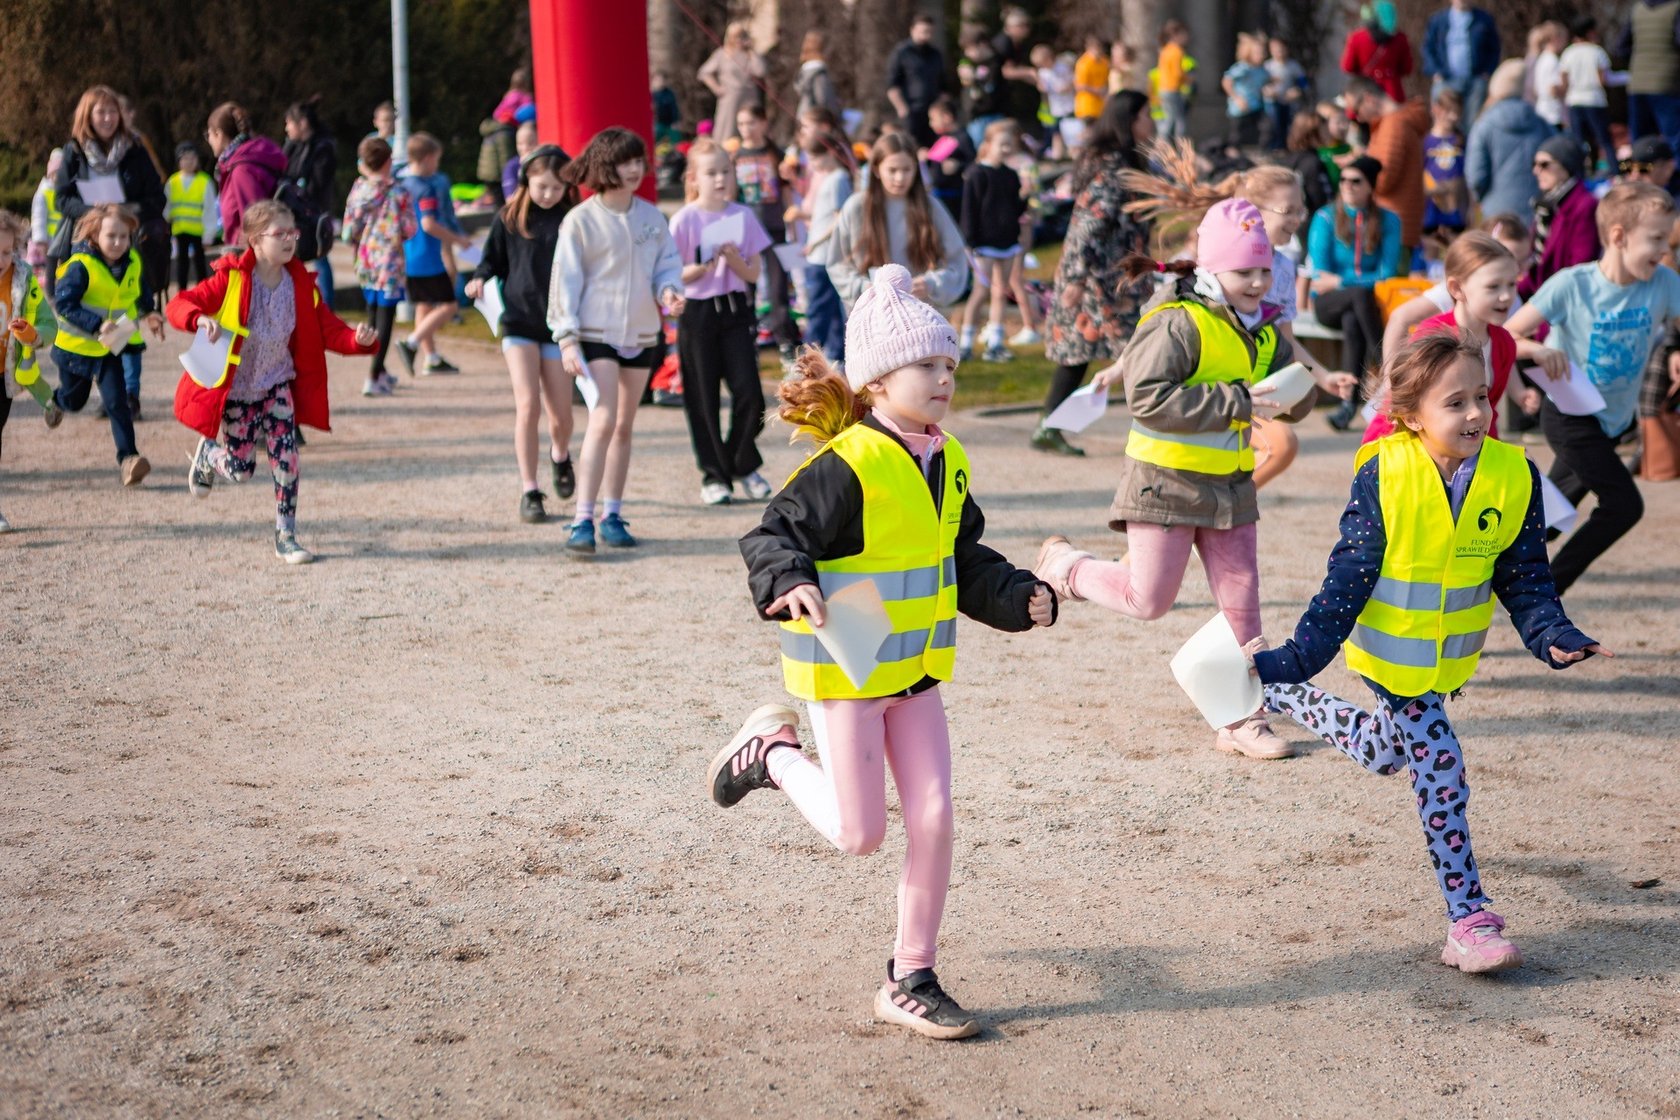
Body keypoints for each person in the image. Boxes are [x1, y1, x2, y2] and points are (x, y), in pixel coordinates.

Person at [717, 264, 1056, 1040]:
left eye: (949, 365)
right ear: (876, 382)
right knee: (858, 834)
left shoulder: (949, 459)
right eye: (926, 365)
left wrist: (1017, 596)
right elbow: (772, 535)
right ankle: (771, 754)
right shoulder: (849, 464)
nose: (944, 379)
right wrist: (789, 580)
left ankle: (911, 976)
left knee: (934, 819)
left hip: (915, 674)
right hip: (846, 672)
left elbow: (961, 558)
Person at [1250, 330, 1609, 975]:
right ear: (1411, 415)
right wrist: (1298, 655)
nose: (1476, 413)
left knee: (1387, 753)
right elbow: (1347, 578)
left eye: (1482, 397)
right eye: (1455, 403)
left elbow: (1525, 575)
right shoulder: (1383, 473)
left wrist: (1551, 633)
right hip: (1392, 660)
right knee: (1441, 769)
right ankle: (1468, 919)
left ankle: (1287, 699)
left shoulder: (1513, 475)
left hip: (1445, 664)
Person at [1033, 199, 1316, 760]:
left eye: (1264, 269)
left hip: (1230, 485)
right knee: (1148, 600)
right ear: (1211, 269)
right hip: (1163, 482)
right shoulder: (1175, 321)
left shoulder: (1265, 328)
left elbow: (1288, 393)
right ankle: (1067, 567)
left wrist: (1298, 394)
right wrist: (1236, 401)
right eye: (1245, 271)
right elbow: (1145, 397)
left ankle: (1242, 718)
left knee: (1242, 602)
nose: (1258, 282)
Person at [172, 200, 376, 564]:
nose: (288, 240)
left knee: (288, 459)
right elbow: (181, 303)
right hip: (238, 391)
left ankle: (286, 535)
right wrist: (199, 318)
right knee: (240, 471)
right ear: (254, 240)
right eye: (278, 233)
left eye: (292, 233)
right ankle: (209, 454)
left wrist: (357, 340)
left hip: (277, 384)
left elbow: (329, 330)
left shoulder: (301, 286)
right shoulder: (231, 278)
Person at [1507, 182, 1680, 592]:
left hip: (1612, 422)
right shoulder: (1573, 284)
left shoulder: (1663, 282)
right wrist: (1538, 349)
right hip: (1567, 414)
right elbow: (1506, 336)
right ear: (1619, 236)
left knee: (1550, 517)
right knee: (1624, 506)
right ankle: (1548, 589)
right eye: (1656, 239)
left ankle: (1490, 569)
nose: (1664, 250)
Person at [548, 127, 684, 556]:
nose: (634, 169)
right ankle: (581, 520)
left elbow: (666, 266)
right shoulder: (580, 220)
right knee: (603, 418)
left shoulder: (652, 218)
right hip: (594, 333)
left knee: (624, 425)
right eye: (625, 161)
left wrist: (669, 292)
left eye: (638, 160)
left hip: (642, 333)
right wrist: (567, 338)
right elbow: (565, 283)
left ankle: (613, 514)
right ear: (605, 165)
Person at [465, 146, 578, 524]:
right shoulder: (509, 218)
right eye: (542, 186)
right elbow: (489, 262)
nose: (548, 194)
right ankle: (530, 490)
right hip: (516, 323)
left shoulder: (572, 220)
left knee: (562, 415)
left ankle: (560, 455)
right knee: (528, 405)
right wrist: (478, 280)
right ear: (527, 180)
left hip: (558, 327)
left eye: (557, 187)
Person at [1037, 91, 1153, 456]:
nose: (1152, 122)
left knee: (1096, 352)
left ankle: (1050, 426)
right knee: (1128, 351)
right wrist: (1075, 278)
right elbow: (1087, 227)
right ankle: (1051, 426)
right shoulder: (1112, 169)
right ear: (1130, 120)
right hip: (1099, 281)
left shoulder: (1127, 162)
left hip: (1121, 278)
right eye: (1146, 115)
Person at [668, 139, 773, 508]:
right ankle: (714, 475)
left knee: (750, 394)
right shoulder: (684, 219)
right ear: (694, 178)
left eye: (725, 171)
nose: (720, 179)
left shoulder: (743, 215)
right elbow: (672, 274)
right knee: (703, 396)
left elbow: (754, 273)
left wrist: (732, 258)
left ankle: (740, 462)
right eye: (711, 173)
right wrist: (703, 267)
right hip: (697, 313)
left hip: (735, 310)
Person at [54, 86, 169, 420]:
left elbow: (157, 197)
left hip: (127, 241)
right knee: (89, 312)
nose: (107, 118)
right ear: (87, 116)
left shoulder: (135, 149)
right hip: (85, 243)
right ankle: (79, 388)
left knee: (127, 316)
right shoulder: (74, 151)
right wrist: (93, 213)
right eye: (100, 112)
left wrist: (125, 212)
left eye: (112, 111)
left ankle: (127, 395)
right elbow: (61, 199)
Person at [1364, 232, 1535, 445]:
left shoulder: (1504, 343)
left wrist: (1520, 394)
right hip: (1408, 447)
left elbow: (1485, 415)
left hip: (1465, 448)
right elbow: (1408, 411)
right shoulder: (1433, 338)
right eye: (1493, 286)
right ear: (1456, 288)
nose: (1507, 296)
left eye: (1511, 284)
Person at [49, 204, 162, 486]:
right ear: (94, 235)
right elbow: (64, 304)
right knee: (75, 400)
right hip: (77, 350)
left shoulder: (132, 261)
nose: (118, 242)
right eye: (111, 236)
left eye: (124, 236)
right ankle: (57, 401)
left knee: (117, 402)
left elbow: (140, 292)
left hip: (111, 346)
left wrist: (150, 313)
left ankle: (129, 459)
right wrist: (96, 324)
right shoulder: (80, 266)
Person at [1308, 154, 1404, 429]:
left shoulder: (1389, 220)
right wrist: (1349, 283)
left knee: (1353, 320)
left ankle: (1348, 405)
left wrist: (1341, 281)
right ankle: (1386, 366)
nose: (1347, 185)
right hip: (1328, 303)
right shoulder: (1325, 217)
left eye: (1356, 181)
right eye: (1343, 180)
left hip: (1363, 308)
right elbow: (1320, 275)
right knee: (1358, 297)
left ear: (1370, 186)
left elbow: (1387, 274)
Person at [826, 134, 968, 313]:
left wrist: (931, 283)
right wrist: (863, 288)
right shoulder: (856, 207)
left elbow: (956, 261)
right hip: (872, 312)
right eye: (892, 170)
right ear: (876, 169)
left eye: (907, 169)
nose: (900, 178)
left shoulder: (930, 207)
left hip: (918, 311)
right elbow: (838, 263)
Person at [0, 211, 60, 533]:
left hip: (4, 377)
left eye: (6, 252)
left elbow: (49, 324)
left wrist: (33, 335)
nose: (1, 260)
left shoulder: (24, 281)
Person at [341, 138, 416, 398]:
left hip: (366, 261)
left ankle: (380, 369)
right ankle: (373, 376)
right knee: (385, 318)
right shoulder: (399, 192)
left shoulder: (358, 189)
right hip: (389, 263)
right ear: (388, 161)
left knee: (372, 315)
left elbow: (348, 231)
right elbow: (410, 228)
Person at [959, 121, 1035, 364]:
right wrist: (970, 242)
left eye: (1009, 145)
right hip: (983, 244)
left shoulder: (1010, 175)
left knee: (1000, 292)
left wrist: (1025, 195)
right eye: (1002, 144)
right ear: (988, 144)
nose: (1006, 149)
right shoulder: (976, 174)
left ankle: (995, 342)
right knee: (980, 292)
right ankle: (966, 343)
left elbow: (1014, 209)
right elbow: (969, 210)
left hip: (1007, 241)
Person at [397, 132, 473, 376]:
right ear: (428, 158)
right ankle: (410, 342)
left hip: (410, 255)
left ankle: (431, 357)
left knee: (424, 305)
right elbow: (429, 224)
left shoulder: (403, 184)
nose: (437, 165)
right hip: (427, 258)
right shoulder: (426, 188)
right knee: (449, 305)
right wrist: (458, 240)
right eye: (437, 160)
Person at [734, 105, 801, 364]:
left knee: (778, 286)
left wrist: (791, 225)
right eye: (741, 124)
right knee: (746, 286)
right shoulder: (735, 156)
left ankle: (784, 337)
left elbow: (786, 191)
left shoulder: (775, 154)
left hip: (774, 227)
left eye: (751, 122)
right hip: (745, 230)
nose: (746, 129)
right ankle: (748, 335)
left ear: (763, 123)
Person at [1345, 76, 1431, 255]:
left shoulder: (1393, 125)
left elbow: (1383, 179)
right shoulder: (1394, 122)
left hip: (1393, 226)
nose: (1358, 118)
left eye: (1356, 110)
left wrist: (1356, 170)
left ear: (1369, 98)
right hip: (1398, 222)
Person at [1467, 59, 1555, 224]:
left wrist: (1482, 198)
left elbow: (1476, 176)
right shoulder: (1540, 123)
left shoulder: (1484, 125)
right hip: (1535, 209)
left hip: (1496, 211)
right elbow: (1557, 160)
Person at [1520, 134, 1601, 299]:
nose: (1536, 171)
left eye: (1544, 164)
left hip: (1565, 298)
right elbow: (1537, 264)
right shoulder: (1547, 205)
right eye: (1535, 164)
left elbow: (1580, 266)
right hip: (1543, 295)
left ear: (1566, 166)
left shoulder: (1584, 206)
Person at [798, 128, 855, 363]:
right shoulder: (832, 178)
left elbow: (840, 219)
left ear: (829, 153)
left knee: (818, 311)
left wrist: (816, 242)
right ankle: (835, 358)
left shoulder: (838, 179)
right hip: (821, 254)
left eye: (814, 158)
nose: (812, 164)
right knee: (831, 311)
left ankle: (808, 361)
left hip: (823, 255)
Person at [206, 102, 286, 253]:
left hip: (251, 256)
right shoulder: (245, 160)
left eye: (208, 134)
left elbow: (256, 220)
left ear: (218, 134)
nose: (209, 140)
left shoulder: (241, 169)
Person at [282, 98, 339, 306]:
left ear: (303, 123)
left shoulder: (323, 147)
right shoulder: (292, 146)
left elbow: (318, 183)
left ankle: (326, 307)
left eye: (289, 123)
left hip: (314, 214)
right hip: (292, 212)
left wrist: (300, 193)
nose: (286, 128)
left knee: (319, 257)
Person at [1422, 1, 1501, 126]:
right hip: (1446, 79)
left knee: (1473, 122)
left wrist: (1487, 71)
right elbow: (1428, 48)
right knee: (1443, 120)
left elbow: (1494, 49)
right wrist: (1435, 71)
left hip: (1475, 80)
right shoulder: (1438, 20)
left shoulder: (1484, 19)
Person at [1617, 0, 1680, 154]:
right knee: (1674, 137)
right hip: (1666, 82)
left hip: (1637, 83)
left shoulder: (1638, 8)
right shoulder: (1676, 8)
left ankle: (1640, 169)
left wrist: (1641, 59)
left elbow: (1620, 47)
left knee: (1640, 141)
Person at [1558, 17, 1614, 172]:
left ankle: (1580, 172)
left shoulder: (1568, 53)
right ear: (1589, 32)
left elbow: (1564, 81)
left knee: (1579, 141)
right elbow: (1603, 79)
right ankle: (1615, 171)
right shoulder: (1597, 52)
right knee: (1604, 140)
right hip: (1595, 100)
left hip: (1575, 100)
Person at [698, 22, 766, 145]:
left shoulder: (749, 54)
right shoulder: (722, 54)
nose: (739, 40)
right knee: (727, 130)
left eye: (742, 36)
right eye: (736, 37)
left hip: (749, 96)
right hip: (730, 97)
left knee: (751, 126)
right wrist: (716, 88)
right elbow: (704, 72)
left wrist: (752, 50)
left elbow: (760, 71)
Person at [886, 14, 947, 148]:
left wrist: (941, 108)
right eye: (923, 31)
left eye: (930, 32)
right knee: (911, 146)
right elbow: (892, 85)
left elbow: (943, 85)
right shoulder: (901, 53)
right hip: (911, 111)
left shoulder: (935, 54)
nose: (926, 36)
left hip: (933, 113)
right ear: (912, 30)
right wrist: (902, 108)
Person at [164, 143, 216, 297]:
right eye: (185, 158)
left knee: (200, 264)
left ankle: (203, 293)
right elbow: (167, 206)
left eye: (192, 158)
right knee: (182, 264)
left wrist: (209, 235)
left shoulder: (204, 181)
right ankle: (181, 294)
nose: (189, 162)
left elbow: (210, 210)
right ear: (179, 161)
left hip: (198, 231)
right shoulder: (172, 182)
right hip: (179, 230)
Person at [1341, 2, 1414, 104]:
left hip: (1365, 93)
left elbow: (1347, 66)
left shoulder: (1356, 37)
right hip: (1392, 93)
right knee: (1395, 114)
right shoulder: (1400, 38)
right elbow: (1407, 68)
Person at [1422, 88, 1468, 236]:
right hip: (1431, 210)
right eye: (1449, 111)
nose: (1453, 117)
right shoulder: (1425, 141)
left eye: (1457, 112)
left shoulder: (1462, 140)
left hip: (1456, 210)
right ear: (1436, 109)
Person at [921, 97, 976, 218]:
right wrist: (926, 157)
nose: (931, 124)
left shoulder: (963, 138)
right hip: (938, 194)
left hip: (955, 197)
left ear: (947, 117)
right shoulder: (942, 138)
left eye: (933, 119)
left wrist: (958, 165)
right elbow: (936, 162)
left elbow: (973, 163)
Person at [992, 7, 1042, 137]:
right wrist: (1030, 73)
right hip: (996, 98)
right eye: (1023, 26)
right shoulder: (1004, 43)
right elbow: (1007, 71)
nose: (1027, 29)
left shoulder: (1014, 43)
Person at [957, 28, 1006, 147]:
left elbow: (989, 90)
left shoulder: (996, 64)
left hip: (990, 116)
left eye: (970, 49)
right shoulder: (971, 63)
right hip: (974, 117)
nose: (967, 53)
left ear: (982, 44)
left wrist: (973, 79)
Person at [1222, 33, 1269, 149]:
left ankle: (1262, 151)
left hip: (1256, 107)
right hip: (1240, 109)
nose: (1261, 56)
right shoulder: (1242, 68)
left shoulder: (1261, 69)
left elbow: (1266, 82)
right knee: (1237, 136)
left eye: (1263, 52)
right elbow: (1226, 81)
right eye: (1257, 53)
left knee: (1265, 129)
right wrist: (1237, 98)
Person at [1284, 113, 1336, 217]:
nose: (1329, 133)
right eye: (1324, 130)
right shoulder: (1313, 163)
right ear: (1312, 134)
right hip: (1313, 220)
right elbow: (1322, 199)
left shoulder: (1291, 158)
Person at [1263, 38, 1307, 152]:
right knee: (1274, 125)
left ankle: (1286, 147)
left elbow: (1303, 82)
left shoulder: (1293, 65)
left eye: (1281, 49)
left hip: (1288, 102)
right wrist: (1267, 91)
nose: (1279, 52)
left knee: (1288, 125)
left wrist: (1297, 91)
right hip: (1272, 101)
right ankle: (1274, 147)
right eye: (1275, 49)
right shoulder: (1267, 66)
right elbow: (1261, 84)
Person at [1155, 20, 1193, 144]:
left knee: (1169, 119)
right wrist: (1188, 80)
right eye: (1184, 34)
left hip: (1163, 89)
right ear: (1176, 35)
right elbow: (1177, 73)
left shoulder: (1165, 50)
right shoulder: (1177, 51)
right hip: (1173, 89)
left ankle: (1161, 145)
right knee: (1179, 120)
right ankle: (1180, 147)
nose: (1187, 38)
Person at [28, 150, 63, 285]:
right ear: (50, 173)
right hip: (48, 241)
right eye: (57, 173)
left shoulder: (63, 192)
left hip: (62, 238)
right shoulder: (43, 193)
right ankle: (49, 289)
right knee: (49, 270)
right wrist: (40, 240)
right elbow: (38, 218)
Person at [1528, 21, 1568, 130]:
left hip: (1542, 109)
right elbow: (1552, 89)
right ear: (1555, 39)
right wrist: (1565, 88)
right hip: (1552, 113)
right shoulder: (1552, 60)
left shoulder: (1542, 58)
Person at [795, 31, 840, 122]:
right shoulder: (819, 73)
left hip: (803, 116)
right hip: (817, 121)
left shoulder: (804, 71)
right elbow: (823, 100)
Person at [1074, 35, 1111, 123]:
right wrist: (1097, 90)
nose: (1099, 50)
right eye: (1096, 47)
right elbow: (1079, 86)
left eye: (1100, 47)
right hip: (1087, 107)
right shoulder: (1083, 63)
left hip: (1101, 105)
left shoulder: (1105, 62)